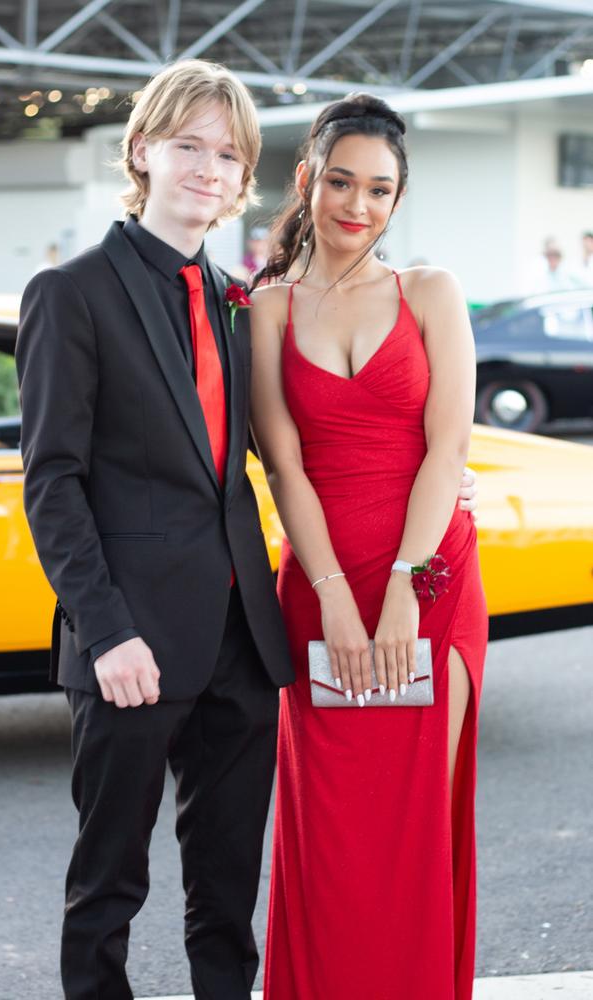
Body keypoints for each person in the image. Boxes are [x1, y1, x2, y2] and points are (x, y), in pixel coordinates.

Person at [15, 60, 295, 1000]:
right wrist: (106, 631)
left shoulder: (236, 300)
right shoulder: (72, 292)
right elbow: (52, 483)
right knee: (108, 889)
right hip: (128, 643)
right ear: (142, 152)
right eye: (189, 146)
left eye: (228, 153)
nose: (209, 168)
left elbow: (267, 457)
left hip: (241, 641)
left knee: (227, 890)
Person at [249, 94, 488, 1000]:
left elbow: (448, 450)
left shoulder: (429, 290)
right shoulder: (267, 309)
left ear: (399, 199)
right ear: (307, 179)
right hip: (318, 592)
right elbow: (283, 468)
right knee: (332, 836)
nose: (358, 205)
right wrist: (339, 598)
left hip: (434, 581)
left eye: (380, 190)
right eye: (341, 181)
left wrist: (400, 587)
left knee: (416, 826)